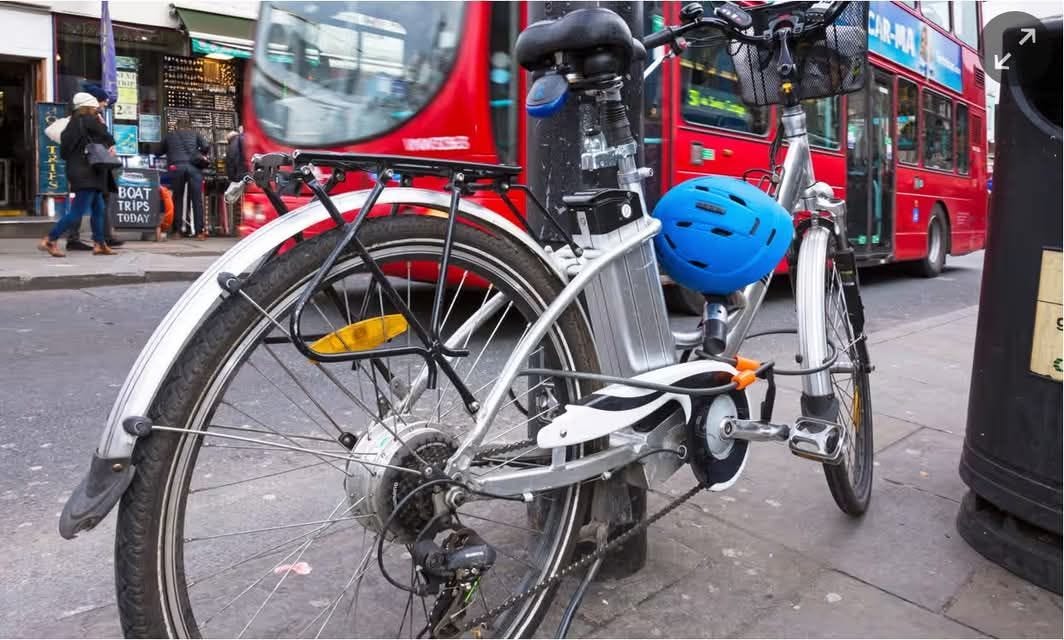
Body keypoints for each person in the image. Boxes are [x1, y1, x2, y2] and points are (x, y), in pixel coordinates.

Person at [38, 92, 118, 257]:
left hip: (77, 170)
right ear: (88, 108)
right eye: (95, 109)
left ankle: (99, 243)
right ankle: (50, 239)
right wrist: (102, 124)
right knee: (77, 211)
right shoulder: (91, 121)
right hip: (89, 172)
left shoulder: (69, 126)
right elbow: (107, 137)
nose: (97, 111)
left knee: (99, 208)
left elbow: (64, 153)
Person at [65, 83, 125, 250]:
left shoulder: (85, 117)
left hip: (94, 165)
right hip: (91, 166)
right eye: (103, 101)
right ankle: (64, 237)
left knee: (98, 202)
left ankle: (102, 237)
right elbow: (103, 137)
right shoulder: (89, 118)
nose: (105, 104)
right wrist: (110, 143)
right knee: (86, 203)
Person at [159, 118, 210, 240]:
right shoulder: (195, 134)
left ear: (177, 126)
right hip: (194, 168)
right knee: (196, 200)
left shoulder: (170, 136)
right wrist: (200, 152)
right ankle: (199, 232)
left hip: (176, 168)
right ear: (189, 127)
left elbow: (158, 151)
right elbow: (206, 146)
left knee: (178, 199)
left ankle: (177, 231)